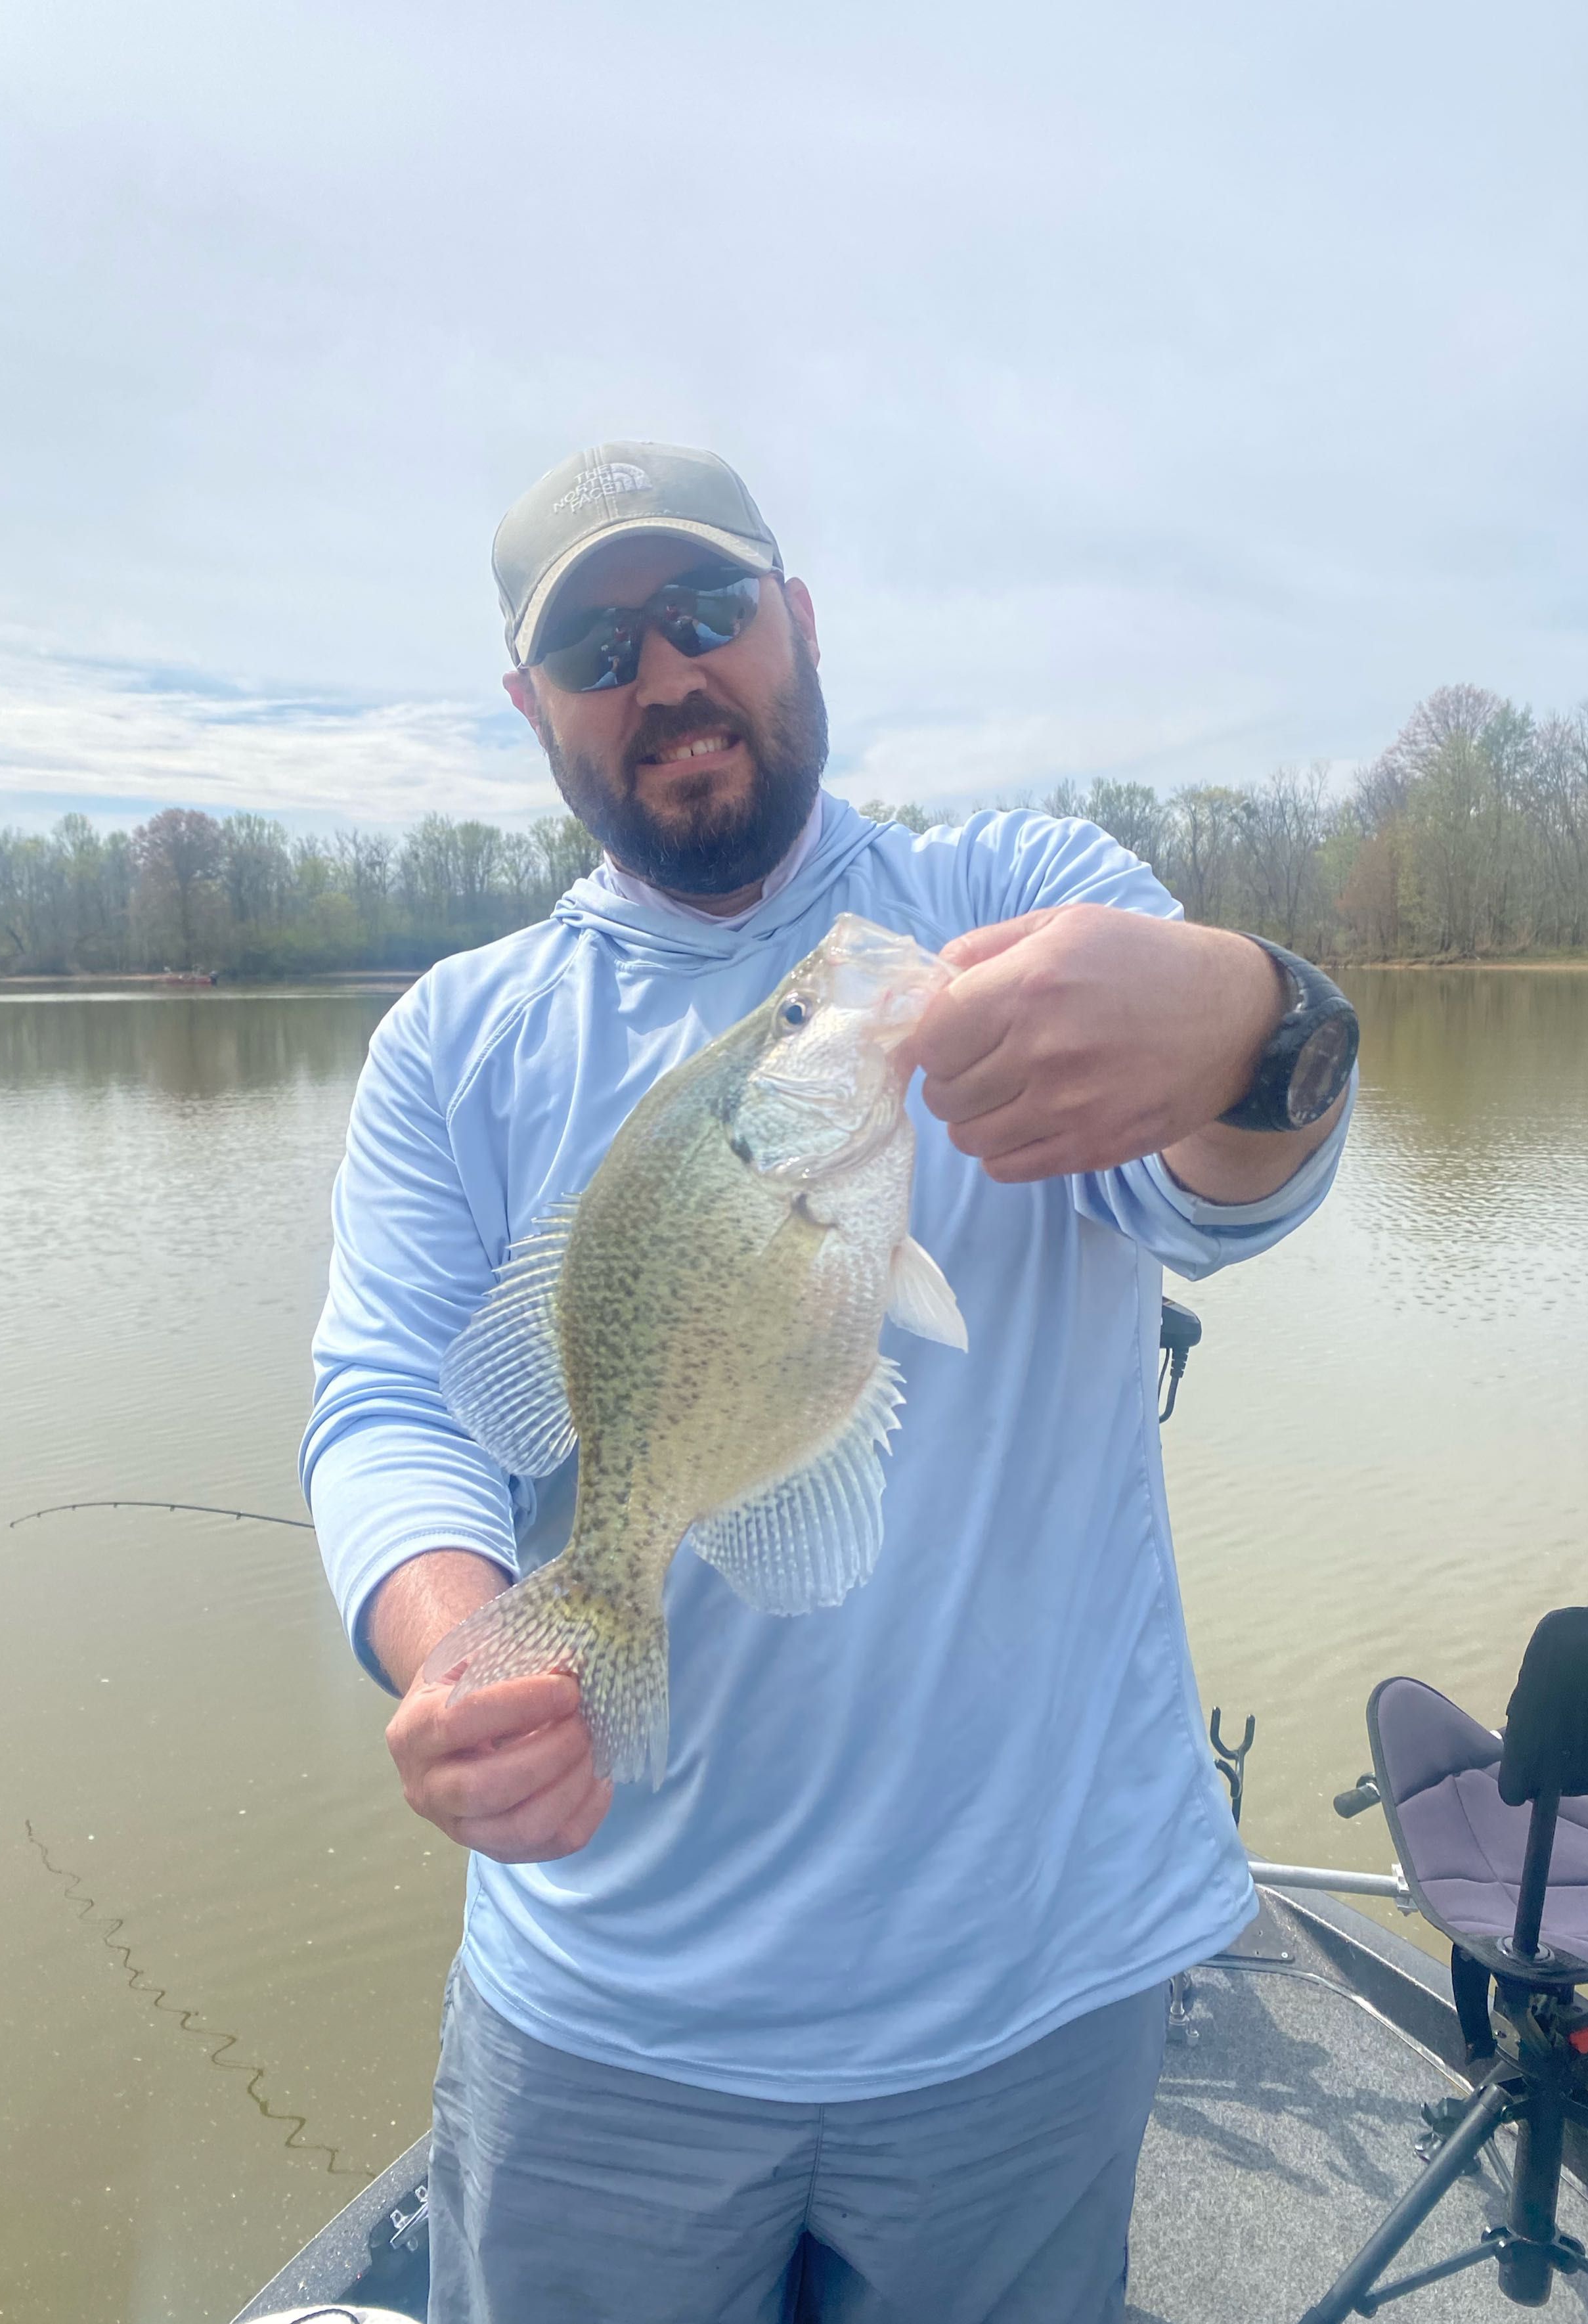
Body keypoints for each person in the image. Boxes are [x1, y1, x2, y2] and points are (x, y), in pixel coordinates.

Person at [301, 441, 1358, 2324]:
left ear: (793, 623)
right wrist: (463, 1649)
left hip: (1024, 1987)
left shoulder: (1011, 906)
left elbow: (1216, 1206)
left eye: (706, 614)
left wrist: (1248, 1017)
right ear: (530, 702)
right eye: (600, 648)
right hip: (604, 2007)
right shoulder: (455, 1041)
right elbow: (395, 1402)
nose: (668, 675)